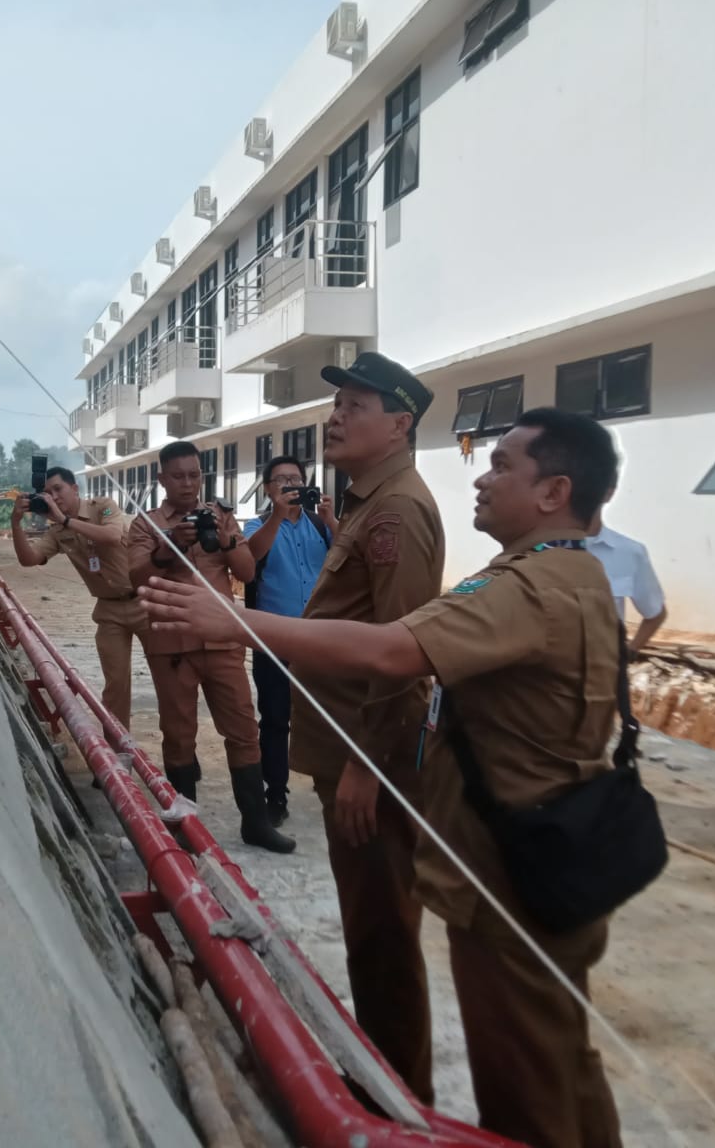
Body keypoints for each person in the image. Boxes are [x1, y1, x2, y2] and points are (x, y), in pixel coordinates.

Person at [140, 407, 627, 1148]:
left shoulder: (528, 585)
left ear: (555, 491)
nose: (483, 476)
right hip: (545, 852)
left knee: (525, 1082)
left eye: (503, 466)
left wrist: (232, 623)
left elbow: (393, 651)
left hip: (512, 870)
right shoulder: (570, 572)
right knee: (560, 1059)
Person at [279, 353, 443, 1102]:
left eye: (355, 404)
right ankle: (379, 1078)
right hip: (348, 748)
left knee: (381, 938)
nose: (335, 416)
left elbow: (404, 651)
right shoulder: (365, 499)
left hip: (367, 759)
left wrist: (364, 767)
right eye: (336, 402)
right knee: (367, 928)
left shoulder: (398, 511)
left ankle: (396, 1102)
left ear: (399, 424)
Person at [127, 441, 295, 854]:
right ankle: (185, 829)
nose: (187, 483)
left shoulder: (220, 516)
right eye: (178, 476)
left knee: (242, 730)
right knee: (179, 734)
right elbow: (136, 578)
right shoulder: (145, 525)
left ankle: (255, 823)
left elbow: (247, 571)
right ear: (162, 479)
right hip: (172, 644)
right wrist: (172, 545)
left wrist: (227, 540)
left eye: (194, 475)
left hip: (222, 642)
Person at [10, 466, 149, 730]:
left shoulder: (103, 507)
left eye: (58, 489)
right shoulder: (57, 533)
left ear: (75, 489)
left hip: (144, 603)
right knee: (115, 686)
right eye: (47, 493)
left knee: (167, 674)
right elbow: (29, 560)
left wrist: (65, 520)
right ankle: (118, 753)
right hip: (109, 612)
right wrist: (15, 523)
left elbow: (112, 535)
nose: (53, 497)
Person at [242, 453, 337, 826]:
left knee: (324, 714)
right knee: (276, 719)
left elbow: (349, 553)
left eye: (295, 479)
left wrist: (332, 520)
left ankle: (328, 781)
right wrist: (279, 515)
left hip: (318, 638)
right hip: (274, 639)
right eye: (281, 480)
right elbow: (251, 558)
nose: (290, 485)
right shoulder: (257, 524)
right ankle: (275, 794)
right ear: (268, 489)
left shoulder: (318, 524)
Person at [587, 489, 668, 660]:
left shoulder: (629, 552)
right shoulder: (535, 550)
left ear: (608, 492)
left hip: (604, 672)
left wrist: (630, 651)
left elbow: (655, 612)